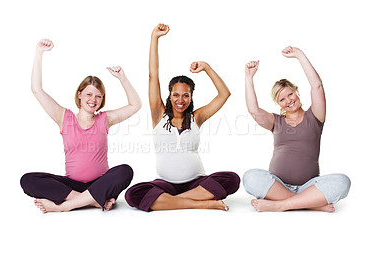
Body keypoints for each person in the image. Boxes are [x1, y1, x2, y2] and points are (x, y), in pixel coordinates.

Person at [125, 24, 240, 212]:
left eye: (185, 95)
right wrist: (154, 38)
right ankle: (202, 203)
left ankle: (171, 201)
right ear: (169, 95)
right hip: (165, 184)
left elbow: (224, 94)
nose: (180, 100)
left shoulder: (197, 117)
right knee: (133, 194)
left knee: (232, 179)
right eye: (176, 95)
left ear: (191, 97)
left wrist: (207, 68)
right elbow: (153, 76)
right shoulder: (158, 114)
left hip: (197, 184)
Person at [20, 39, 142, 213]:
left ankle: (65, 206)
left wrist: (122, 78)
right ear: (79, 95)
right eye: (89, 94)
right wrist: (39, 53)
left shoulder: (104, 119)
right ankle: (92, 201)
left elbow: (135, 105)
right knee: (27, 180)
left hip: (101, 182)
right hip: (72, 185)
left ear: (102, 100)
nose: (93, 99)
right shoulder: (64, 117)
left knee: (125, 171)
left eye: (98, 96)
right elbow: (37, 89)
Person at [243, 46, 351, 212]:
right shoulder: (275, 121)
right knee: (250, 177)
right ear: (278, 104)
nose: (288, 101)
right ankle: (311, 205)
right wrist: (249, 77)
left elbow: (317, 87)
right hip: (277, 184)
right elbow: (253, 110)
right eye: (282, 99)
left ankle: (281, 205)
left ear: (297, 92)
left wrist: (299, 55)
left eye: (290, 94)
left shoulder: (315, 116)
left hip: (310, 187)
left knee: (343, 182)